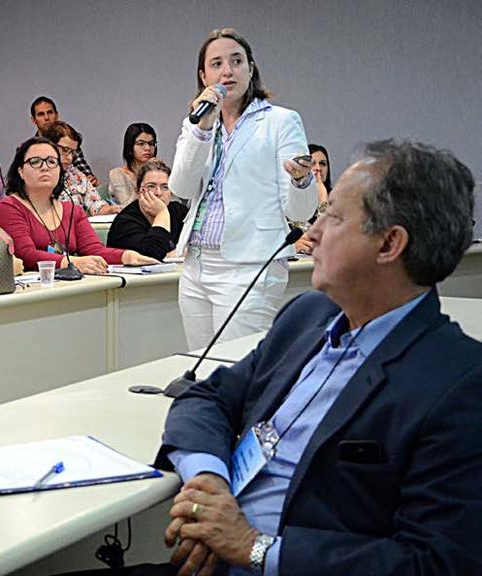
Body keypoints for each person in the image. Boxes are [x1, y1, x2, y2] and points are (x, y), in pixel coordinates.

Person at [153, 139, 482, 576]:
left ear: (389, 245)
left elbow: (436, 563)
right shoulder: (308, 317)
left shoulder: (458, 381)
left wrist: (254, 548)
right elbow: (206, 398)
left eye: (334, 216)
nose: (313, 233)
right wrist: (209, 482)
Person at [170, 28, 316, 350]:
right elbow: (180, 186)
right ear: (204, 75)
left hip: (250, 265)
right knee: (200, 363)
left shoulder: (281, 121)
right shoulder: (197, 123)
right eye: (217, 63)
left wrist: (301, 181)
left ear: (250, 69)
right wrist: (202, 130)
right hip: (196, 263)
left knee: (235, 367)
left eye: (237, 61)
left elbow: (300, 212)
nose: (227, 71)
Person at [0, 137, 153, 273]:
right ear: (21, 171)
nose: (45, 167)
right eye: (36, 162)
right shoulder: (9, 207)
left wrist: (128, 256)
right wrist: (73, 263)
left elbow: (94, 250)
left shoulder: (72, 210)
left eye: (52, 161)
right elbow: (25, 255)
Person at [107, 159, 187, 261]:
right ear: (138, 191)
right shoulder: (125, 222)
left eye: (165, 187)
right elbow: (152, 256)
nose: (158, 192)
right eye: (151, 186)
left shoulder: (179, 211)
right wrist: (161, 213)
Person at [43, 121, 119, 216]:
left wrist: (110, 209)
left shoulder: (76, 175)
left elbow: (96, 205)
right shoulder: (36, 177)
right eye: (65, 150)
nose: (70, 158)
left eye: (73, 152)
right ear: (49, 146)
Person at [30, 96, 98, 186]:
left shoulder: (69, 142)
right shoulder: (29, 149)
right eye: (41, 114)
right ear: (34, 120)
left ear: (57, 115)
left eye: (50, 113)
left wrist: (89, 179)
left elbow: (86, 175)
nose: (46, 118)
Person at [294, 143, 332, 254]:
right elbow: (312, 238)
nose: (318, 168)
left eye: (323, 164)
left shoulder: (340, 199)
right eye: (312, 163)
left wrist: (323, 200)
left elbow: (328, 241)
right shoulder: (291, 202)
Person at [109, 123, 158, 205]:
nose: (147, 148)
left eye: (151, 144)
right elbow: (127, 207)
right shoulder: (117, 174)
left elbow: (175, 202)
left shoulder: (158, 172)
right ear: (130, 147)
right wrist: (144, 176)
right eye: (141, 144)